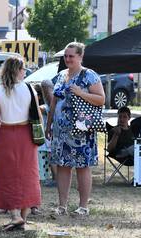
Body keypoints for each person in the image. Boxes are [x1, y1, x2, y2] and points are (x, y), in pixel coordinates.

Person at [46, 42, 105, 216]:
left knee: (82, 166)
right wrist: (49, 124)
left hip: (81, 130)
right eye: (66, 56)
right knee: (62, 166)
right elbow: (54, 102)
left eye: (71, 56)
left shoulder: (89, 75)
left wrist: (80, 92)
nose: (68, 59)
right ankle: (62, 205)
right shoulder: (61, 75)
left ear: (80, 56)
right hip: (61, 131)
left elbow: (101, 99)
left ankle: (83, 206)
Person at [0, 56, 42, 231]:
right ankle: (23, 217)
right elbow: (38, 116)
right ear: (17, 70)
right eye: (23, 68)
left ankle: (15, 215)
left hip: (6, 135)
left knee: (7, 175)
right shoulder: (30, 89)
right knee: (28, 175)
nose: (25, 71)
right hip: (27, 134)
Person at [37, 80, 57, 187]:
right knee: (49, 154)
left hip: (50, 130)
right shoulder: (51, 95)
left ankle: (56, 178)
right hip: (50, 129)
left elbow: (48, 110)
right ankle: (53, 178)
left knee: (50, 154)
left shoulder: (50, 96)